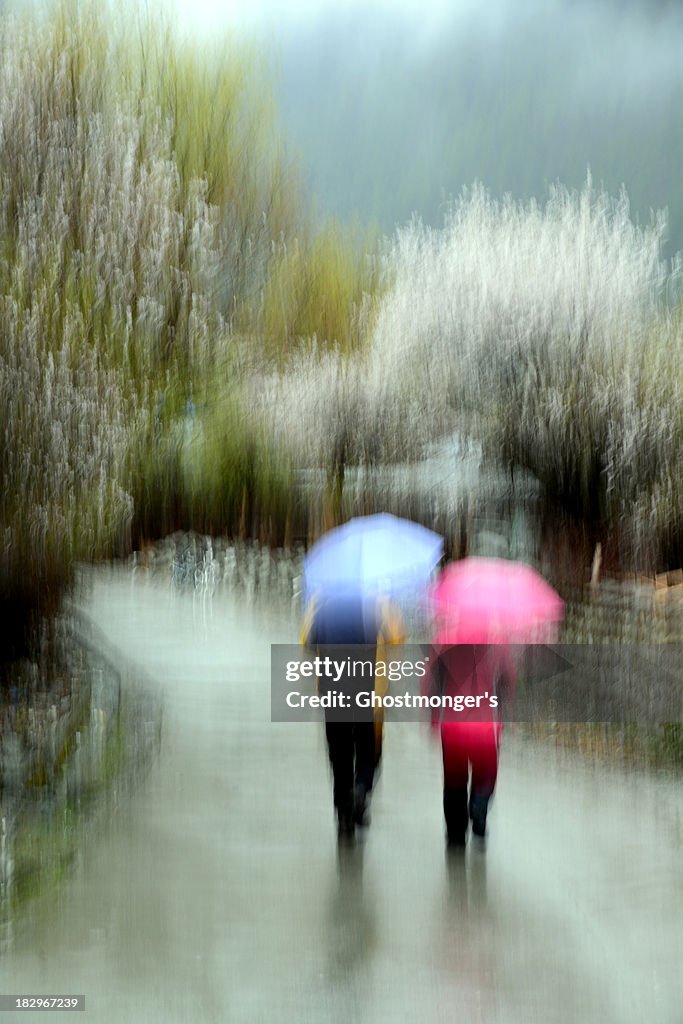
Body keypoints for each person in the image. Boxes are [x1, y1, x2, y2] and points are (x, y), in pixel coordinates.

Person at [301, 590, 405, 838]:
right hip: (370, 692)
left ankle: (344, 816)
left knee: (340, 754)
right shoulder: (379, 604)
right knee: (369, 750)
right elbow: (397, 638)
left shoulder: (320, 603)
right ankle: (361, 789)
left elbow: (308, 642)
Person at [428, 632, 515, 847]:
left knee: (454, 781)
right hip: (485, 726)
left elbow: (433, 680)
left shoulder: (446, 640)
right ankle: (479, 805)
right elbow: (508, 680)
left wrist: (433, 716)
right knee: (486, 773)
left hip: (453, 725)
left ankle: (455, 834)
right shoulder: (498, 643)